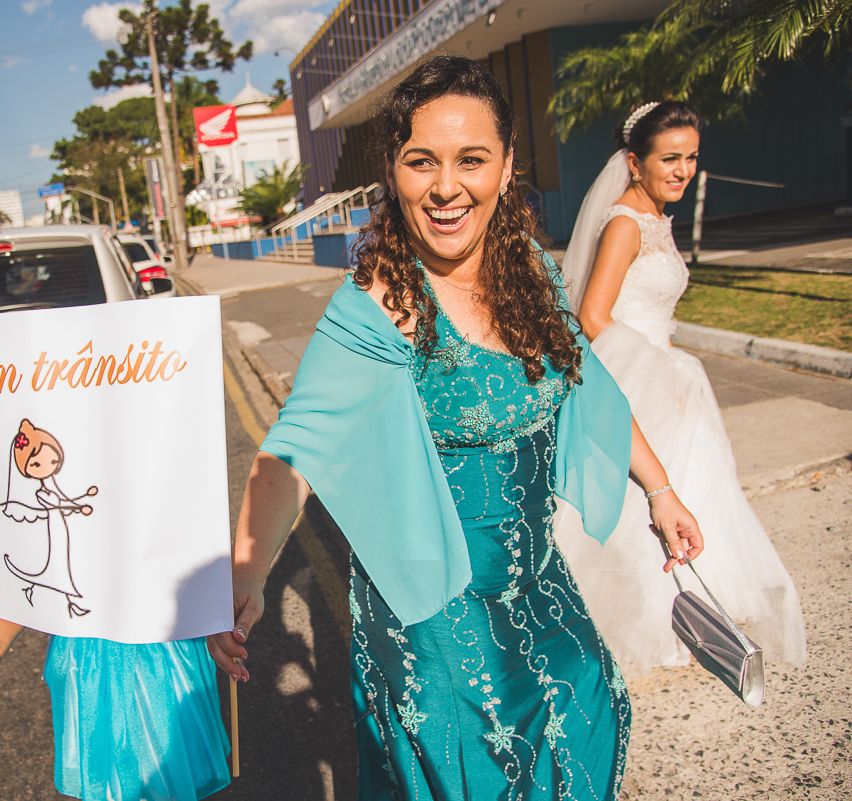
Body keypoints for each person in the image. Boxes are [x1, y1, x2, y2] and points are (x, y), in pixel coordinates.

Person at [207, 55, 704, 801]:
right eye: (421, 161)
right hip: (435, 610)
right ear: (393, 171)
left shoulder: (530, 268)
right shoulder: (383, 302)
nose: (446, 187)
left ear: (506, 168)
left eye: (471, 159)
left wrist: (660, 488)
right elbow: (294, 447)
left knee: (586, 711)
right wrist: (247, 574)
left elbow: (584, 383)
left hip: (538, 582)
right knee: (485, 768)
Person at [555, 101, 806, 671]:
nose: (683, 170)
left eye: (691, 157)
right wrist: (655, 366)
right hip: (638, 373)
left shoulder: (654, 217)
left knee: (680, 494)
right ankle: (640, 620)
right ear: (633, 163)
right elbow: (593, 318)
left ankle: (677, 613)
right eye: (669, 158)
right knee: (639, 505)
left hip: (665, 369)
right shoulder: (624, 224)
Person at [0, 623, 230, 801]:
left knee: (168, 772)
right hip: (90, 658)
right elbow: (36, 556)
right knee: (113, 776)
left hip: (159, 651)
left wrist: (244, 576)